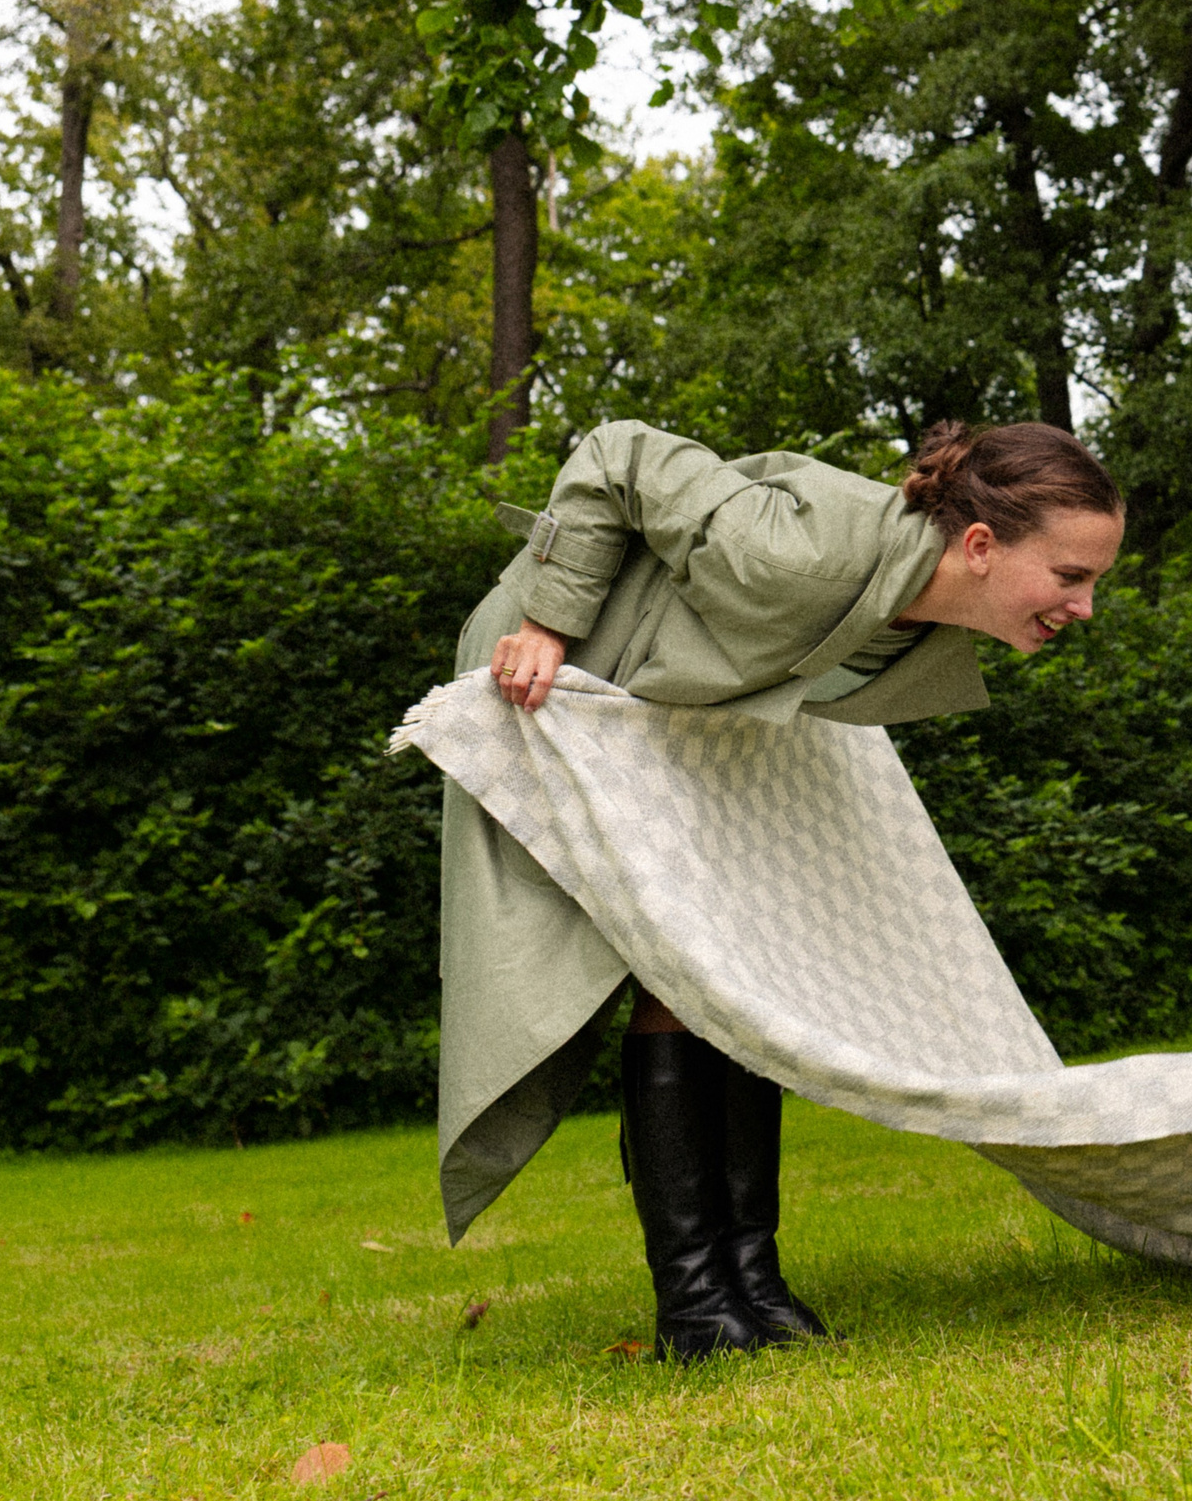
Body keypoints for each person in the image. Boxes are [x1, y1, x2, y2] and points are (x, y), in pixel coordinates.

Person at [439, 417, 1124, 1363]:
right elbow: (618, 454)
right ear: (978, 547)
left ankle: (750, 1282)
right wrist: (549, 619)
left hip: (682, 706)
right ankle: (695, 1304)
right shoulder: (794, 558)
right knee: (679, 970)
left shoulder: (913, 599)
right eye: (1070, 577)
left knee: (738, 964)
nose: (1084, 606)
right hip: (557, 671)